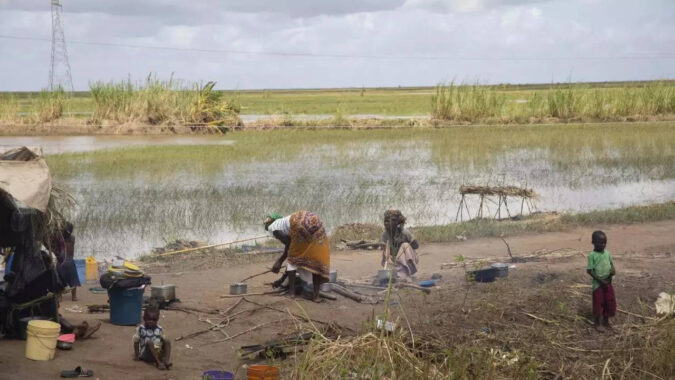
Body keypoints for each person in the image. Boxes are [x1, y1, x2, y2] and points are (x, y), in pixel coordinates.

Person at [265, 211, 331, 302]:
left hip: (299, 223)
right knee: (316, 258)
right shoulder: (285, 222)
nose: (276, 237)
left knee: (293, 258)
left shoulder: (273, 227)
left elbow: (289, 245)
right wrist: (281, 280)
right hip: (315, 221)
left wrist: (279, 261)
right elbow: (291, 244)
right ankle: (316, 296)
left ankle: (291, 293)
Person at [586, 230, 616, 332]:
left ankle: (606, 321)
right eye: (601, 243)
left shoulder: (607, 253)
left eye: (605, 243)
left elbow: (611, 265)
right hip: (598, 285)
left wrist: (612, 271)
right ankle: (597, 323)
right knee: (598, 303)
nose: (603, 245)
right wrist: (600, 281)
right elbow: (589, 271)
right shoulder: (592, 255)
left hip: (608, 283)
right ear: (593, 242)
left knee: (609, 301)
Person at [381, 210, 419, 282]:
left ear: (396, 222)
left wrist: (404, 242)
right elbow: (386, 251)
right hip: (393, 260)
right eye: (385, 221)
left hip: (408, 258)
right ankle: (393, 273)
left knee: (405, 245)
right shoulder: (385, 235)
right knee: (385, 250)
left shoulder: (404, 232)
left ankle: (406, 273)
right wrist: (386, 251)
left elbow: (416, 246)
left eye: (390, 221)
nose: (386, 223)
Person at [51, 222, 80, 301]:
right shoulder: (72, 238)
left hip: (61, 262)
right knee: (73, 280)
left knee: (59, 280)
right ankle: (74, 296)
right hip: (70, 261)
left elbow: (54, 248)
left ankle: (59, 296)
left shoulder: (58, 238)